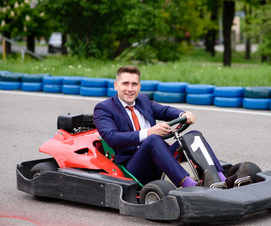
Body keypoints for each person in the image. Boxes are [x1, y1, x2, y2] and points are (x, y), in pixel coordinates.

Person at [94, 65, 228, 188]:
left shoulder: (143, 101)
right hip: (133, 167)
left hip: (159, 157)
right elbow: (112, 138)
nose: (130, 89)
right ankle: (190, 186)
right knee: (153, 139)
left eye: (134, 84)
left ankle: (221, 180)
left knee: (193, 135)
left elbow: (164, 111)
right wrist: (149, 132)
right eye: (125, 84)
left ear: (139, 87)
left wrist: (183, 114)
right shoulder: (104, 108)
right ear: (116, 85)